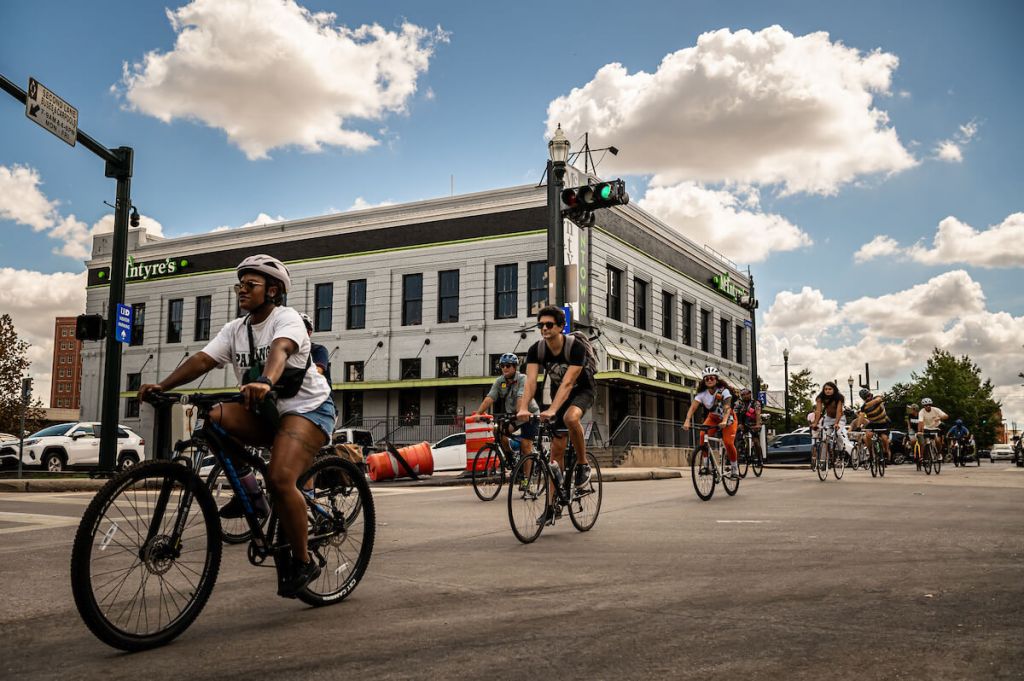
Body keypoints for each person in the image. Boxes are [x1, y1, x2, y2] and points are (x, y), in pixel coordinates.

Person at [138, 254, 335, 598]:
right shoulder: (236, 329)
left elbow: (281, 349)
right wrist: (163, 386)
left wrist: (265, 381)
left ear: (273, 290)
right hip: (265, 412)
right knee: (212, 418)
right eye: (239, 285)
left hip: (308, 410)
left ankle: (304, 561)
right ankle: (253, 497)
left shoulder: (286, 319)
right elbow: (203, 359)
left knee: (279, 478)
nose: (241, 290)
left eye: (250, 284)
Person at [517, 306, 595, 523]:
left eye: (549, 325)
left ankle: (582, 464)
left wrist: (552, 409)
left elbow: (569, 382)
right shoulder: (537, 350)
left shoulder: (575, 348)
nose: (544, 328)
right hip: (559, 395)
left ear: (561, 326)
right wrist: (524, 407)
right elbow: (531, 381)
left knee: (571, 418)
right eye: (541, 325)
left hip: (582, 391)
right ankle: (552, 506)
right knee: (555, 455)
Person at [475, 353, 539, 460]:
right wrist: (478, 413)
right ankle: (510, 457)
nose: (505, 368)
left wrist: (518, 413)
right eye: (502, 366)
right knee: (499, 431)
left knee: (525, 446)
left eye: (508, 365)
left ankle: (526, 477)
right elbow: (490, 397)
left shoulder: (523, 379)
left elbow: (520, 398)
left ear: (515, 366)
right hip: (514, 416)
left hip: (529, 415)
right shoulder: (499, 381)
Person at [683, 366, 738, 478]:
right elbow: (693, 408)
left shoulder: (724, 391)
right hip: (713, 418)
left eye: (711, 378)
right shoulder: (702, 394)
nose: (709, 380)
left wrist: (724, 421)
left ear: (716, 379)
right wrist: (687, 420)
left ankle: (734, 467)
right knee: (703, 435)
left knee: (728, 443)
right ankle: (706, 465)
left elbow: (727, 407)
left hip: (728, 419)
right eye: (706, 378)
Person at [811, 381, 849, 465]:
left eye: (830, 389)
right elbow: (818, 411)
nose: (827, 391)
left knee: (838, 433)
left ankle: (841, 451)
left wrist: (836, 423)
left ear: (834, 389)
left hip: (840, 419)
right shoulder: (820, 398)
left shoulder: (839, 397)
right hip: (828, 418)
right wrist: (815, 423)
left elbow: (839, 411)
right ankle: (823, 461)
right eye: (826, 389)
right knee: (825, 439)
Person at [850, 388, 891, 463]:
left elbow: (877, 400)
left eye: (869, 395)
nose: (868, 398)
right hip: (873, 423)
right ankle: (871, 454)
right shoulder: (864, 407)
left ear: (870, 394)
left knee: (884, 438)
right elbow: (861, 416)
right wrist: (858, 426)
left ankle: (886, 452)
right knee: (868, 436)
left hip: (883, 422)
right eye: (865, 397)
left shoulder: (877, 398)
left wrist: (867, 404)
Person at [300, 313, 332, 385]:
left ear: (309, 332)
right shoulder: (285, 351)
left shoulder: (318, 350)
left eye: (300, 329)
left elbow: (317, 373)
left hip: (320, 394)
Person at [735, 387, 763, 459]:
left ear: (750, 394)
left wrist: (757, 424)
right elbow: (735, 414)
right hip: (742, 424)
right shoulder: (739, 403)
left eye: (746, 394)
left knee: (756, 441)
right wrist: (738, 424)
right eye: (742, 395)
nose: (745, 396)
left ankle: (759, 459)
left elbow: (758, 413)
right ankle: (738, 458)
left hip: (753, 424)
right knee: (738, 441)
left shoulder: (756, 403)